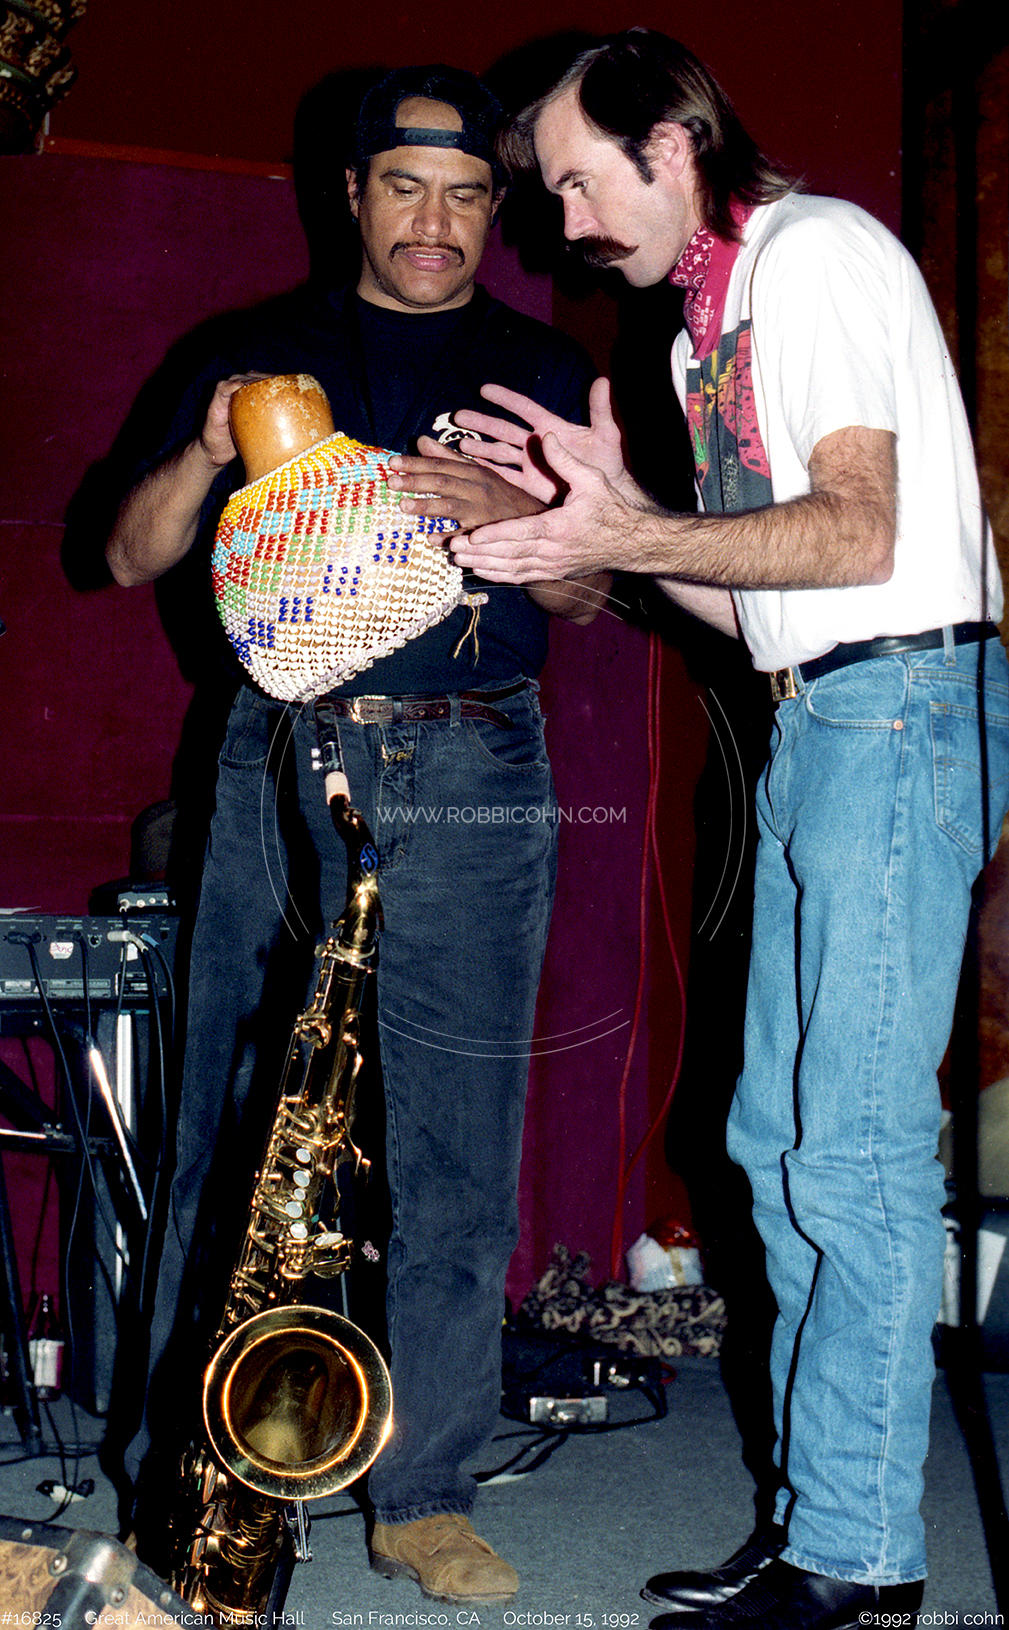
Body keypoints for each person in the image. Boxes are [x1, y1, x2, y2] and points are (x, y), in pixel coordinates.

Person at [398, 28, 1009, 1629]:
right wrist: (582, 528)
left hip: (901, 703)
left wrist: (636, 521)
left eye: (574, 182)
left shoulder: (812, 255)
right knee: (772, 1147)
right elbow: (750, 602)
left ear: (668, 143)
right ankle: (822, 1520)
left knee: (851, 1151)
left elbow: (856, 532)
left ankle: (857, 1559)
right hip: (818, 709)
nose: (560, 223)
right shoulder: (700, 334)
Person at [105, 63, 608, 1605]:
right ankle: (178, 1469)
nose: (434, 222)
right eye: (405, 187)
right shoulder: (252, 351)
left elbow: (589, 593)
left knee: (455, 1132)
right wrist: (207, 451)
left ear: (496, 208)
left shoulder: (535, 369)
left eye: (465, 195)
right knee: (227, 1112)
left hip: (473, 757)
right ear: (352, 194)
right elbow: (124, 555)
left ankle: (425, 1488)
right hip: (279, 750)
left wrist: (506, 519)